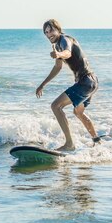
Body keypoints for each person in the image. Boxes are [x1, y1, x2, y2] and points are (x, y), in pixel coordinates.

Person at [36, 19, 100, 151]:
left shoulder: (65, 40)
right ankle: (97, 141)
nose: (49, 34)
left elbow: (68, 52)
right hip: (91, 82)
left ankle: (69, 144)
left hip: (86, 81)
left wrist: (59, 54)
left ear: (58, 30)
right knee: (78, 112)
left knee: (56, 106)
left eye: (51, 30)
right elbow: (58, 67)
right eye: (46, 32)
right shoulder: (57, 45)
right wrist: (43, 84)